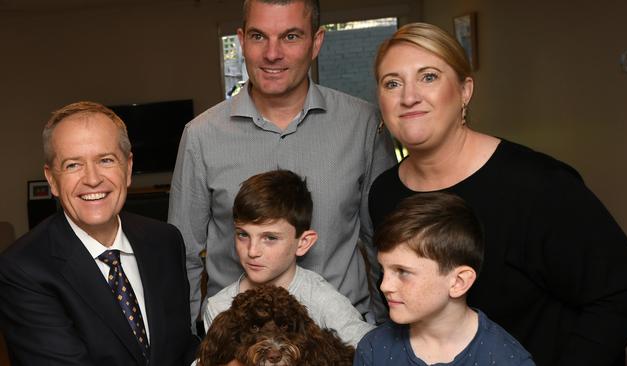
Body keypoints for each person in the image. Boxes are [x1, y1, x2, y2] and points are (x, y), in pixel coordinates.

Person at [368, 22, 627, 366]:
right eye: (392, 83)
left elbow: (621, 293)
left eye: (429, 77)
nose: (409, 96)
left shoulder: (538, 185)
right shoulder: (384, 193)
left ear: (465, 91)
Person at [169, 0, 396, 331]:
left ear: (316, 42)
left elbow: (384, 244)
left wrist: (389, 339)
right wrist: (190, 343)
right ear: (242, 40)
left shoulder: (362, 123)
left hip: (338, 339)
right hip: (238, 343)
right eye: (259, 36)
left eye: (290, 37)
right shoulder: (201, 136)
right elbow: (183, 257)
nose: (272, 54)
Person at [0, 102, 198, 366]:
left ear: (127, 168)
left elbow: (181, 347)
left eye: (105, 160)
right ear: (51, 180)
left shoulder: (165, 241)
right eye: (73, 165)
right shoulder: (23, 269)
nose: (92, 179)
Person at [355, 192, 534, 365]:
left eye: (402, 271)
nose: (385, 286)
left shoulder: (507, 359)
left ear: (458, 282)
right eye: (383, 270)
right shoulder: (373, 349)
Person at [203, 170, 375, 346]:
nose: (252, 251)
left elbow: (373, 350)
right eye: (243, 235)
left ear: (303, 243)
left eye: (270, 238)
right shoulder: (219, 307)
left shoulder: (322, 301)